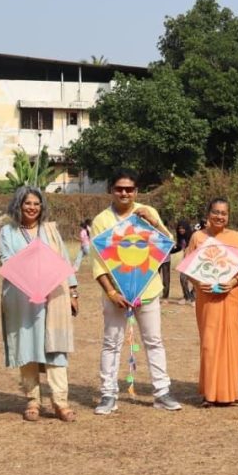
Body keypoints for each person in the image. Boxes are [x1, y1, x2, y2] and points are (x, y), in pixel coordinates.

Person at [92, 168, 182, 414]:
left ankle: (162, 393)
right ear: (111, 190)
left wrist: (154, 222)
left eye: (129, 189)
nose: (124, 193)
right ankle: (108, 394)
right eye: (119, 189)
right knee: (112, 343)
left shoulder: (147, 212)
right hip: (116, 294)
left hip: (148, 290)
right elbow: (98, 261)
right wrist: (112, 293)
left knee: (154, 341)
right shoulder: (101, 220)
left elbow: (168, 244)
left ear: (136, 191)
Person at [0, 186, 80, 422]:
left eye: (36, 203)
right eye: (27, 203)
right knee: (27, 347)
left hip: (53, 296)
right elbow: (6, 260)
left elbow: (63, 260)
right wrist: (31, 278)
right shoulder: (8, 231)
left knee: (56, 348)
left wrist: (73, 291)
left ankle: (60, 401)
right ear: (18, 205)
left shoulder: (50, 230)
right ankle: (33, 400)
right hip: (22, 297)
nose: (32, 207)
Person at [186, 198, 238, 406]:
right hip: (207, 298)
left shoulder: (237, 238)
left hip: (231, 297)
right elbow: (188, 266)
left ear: (228, 216)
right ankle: (209, 394)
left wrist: (233, 282)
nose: (219, 216)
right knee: (209, 344)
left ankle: (231, 393)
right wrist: (198, 283)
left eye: (223, 213)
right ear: (208, 214)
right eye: (215, 212)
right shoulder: (198, 237)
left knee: (231, 344)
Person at [174, 220, 196, 305]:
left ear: (186, 228)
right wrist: (170, 249)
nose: (181, 230)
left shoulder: (193, 237)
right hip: (186, 260)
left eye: (183, 228)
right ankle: (187, 297)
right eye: (179, 228)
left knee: (195, 280)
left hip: (194, 260)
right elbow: (179, 248)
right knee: (182, 278)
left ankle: (193, 298)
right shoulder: (181, 237)